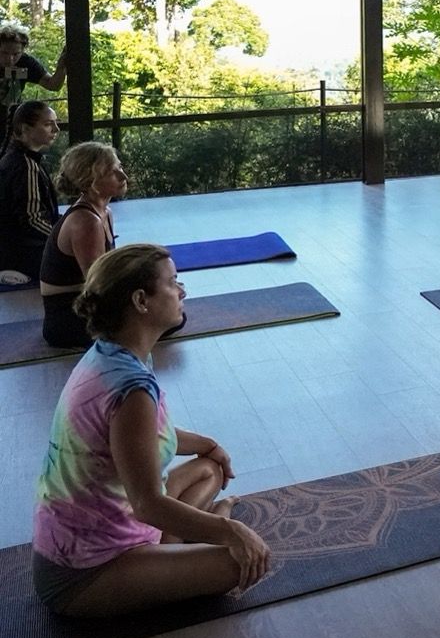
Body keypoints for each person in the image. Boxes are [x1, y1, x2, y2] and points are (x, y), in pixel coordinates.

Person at [32, 244, 270, 617]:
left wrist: (208, 444)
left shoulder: (114, 354)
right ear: (141, 301)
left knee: (209, 468)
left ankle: (173, 549)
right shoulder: (131, 389)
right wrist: (229, 530)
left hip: (117, 519)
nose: (182, 291)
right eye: (173, 282)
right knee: (238, 564)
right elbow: (148, 505)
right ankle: (177, 548)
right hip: (84, 571)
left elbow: (140, 435)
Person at [41, 143, 127, 347]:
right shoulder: (86, 221)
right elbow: (97, 283)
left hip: (85, 306)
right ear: (90, 181)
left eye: (120, 167)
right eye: (111, 172)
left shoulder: (104, 213)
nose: (123, 176)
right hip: (68, 317)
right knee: (161, 317)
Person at [0, 99, 61, 282]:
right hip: (22, 254)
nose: (56, 129)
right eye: (48, 124)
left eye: (55, 123)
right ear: (25, 129)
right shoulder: (26, 165)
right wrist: (62, 238)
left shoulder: (13, 158)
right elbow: (32, 219)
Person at [0, 22, 66, 109]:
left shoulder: (25, 64)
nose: (10, 59)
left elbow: (53, 85)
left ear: (23, 51)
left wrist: (61, 67)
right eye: (4, 53)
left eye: (15, 54)